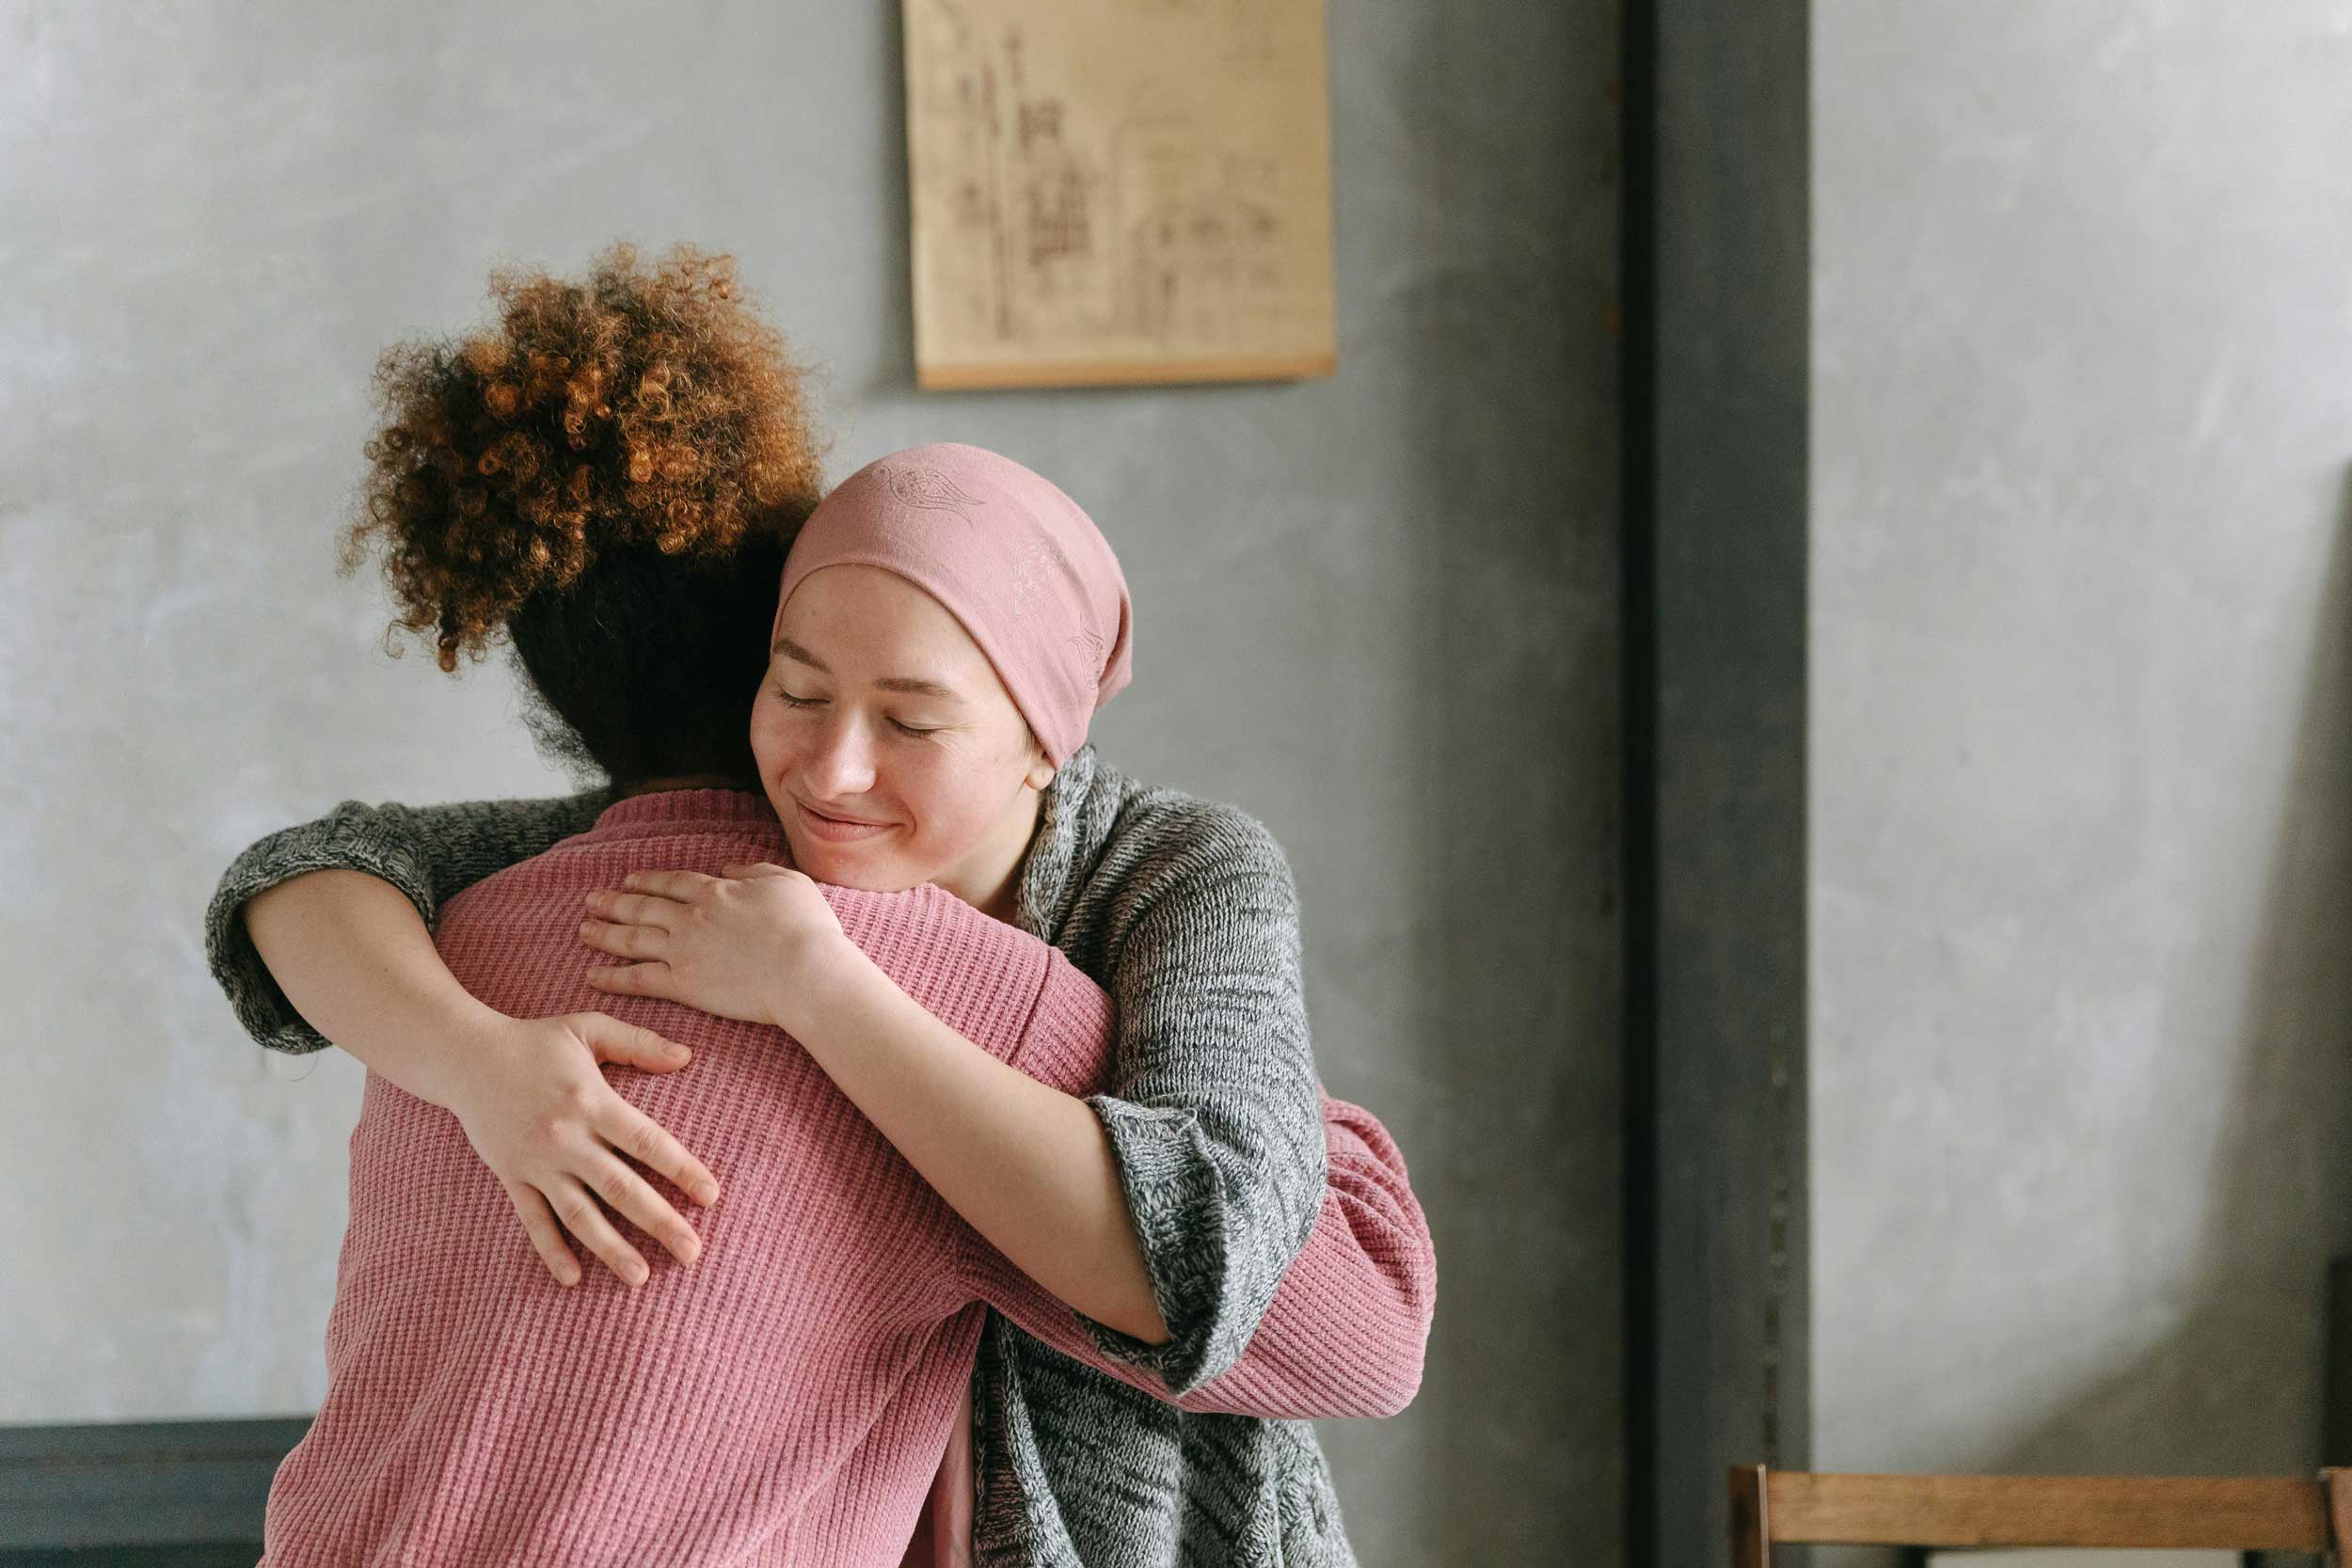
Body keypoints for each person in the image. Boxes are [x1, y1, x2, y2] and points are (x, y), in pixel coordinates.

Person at [205, 244, 1435, 1567]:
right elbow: (313, 866)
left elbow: (1289, 1292)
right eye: (795, 693)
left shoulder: (1169, 876)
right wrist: (485, 1065)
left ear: (1045, 740)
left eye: (911, 720)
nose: (834, 770)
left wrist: (824, 988)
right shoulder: (682, 869)